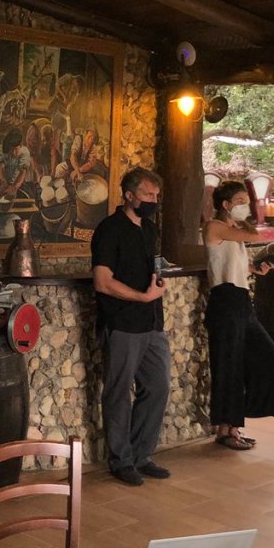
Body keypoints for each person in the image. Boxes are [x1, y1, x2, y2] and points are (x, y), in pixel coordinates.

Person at [91, 167, 171, 486]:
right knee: (119, 393)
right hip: (122, 322)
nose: (153, 201)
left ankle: (141, 455)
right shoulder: (109, 229)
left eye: (156, 196)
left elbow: (153, 267)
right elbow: (102, 281)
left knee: (158, 386)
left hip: (152, 322)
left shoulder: (150, 229)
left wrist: (159, 283)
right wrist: (141, 296)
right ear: (128, 195)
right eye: (148, 195)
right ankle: (121, 460)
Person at [203, 181, 274, 450]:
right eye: (240, 201)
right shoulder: (215, 227)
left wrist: (254, 268)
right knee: (228, 367)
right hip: (224, 300)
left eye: (247, 201)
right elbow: (253, 236)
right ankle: (226, 429)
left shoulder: (234, 232)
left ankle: (237, 420)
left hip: (241, 301)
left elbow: (234, 261)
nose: (246, 206)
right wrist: (248, 222)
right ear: (226, 204)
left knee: (271, 360)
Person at [0, 128, 31, 200]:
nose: (13, 152)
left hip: (19, 184)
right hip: (4, 182)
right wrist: (3, 182)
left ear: (21, 145)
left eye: (16, 149)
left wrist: (15, 187)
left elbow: (23, 171)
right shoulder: (5, 149)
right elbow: (0, 166)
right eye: (11, 149)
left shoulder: (25, 153)